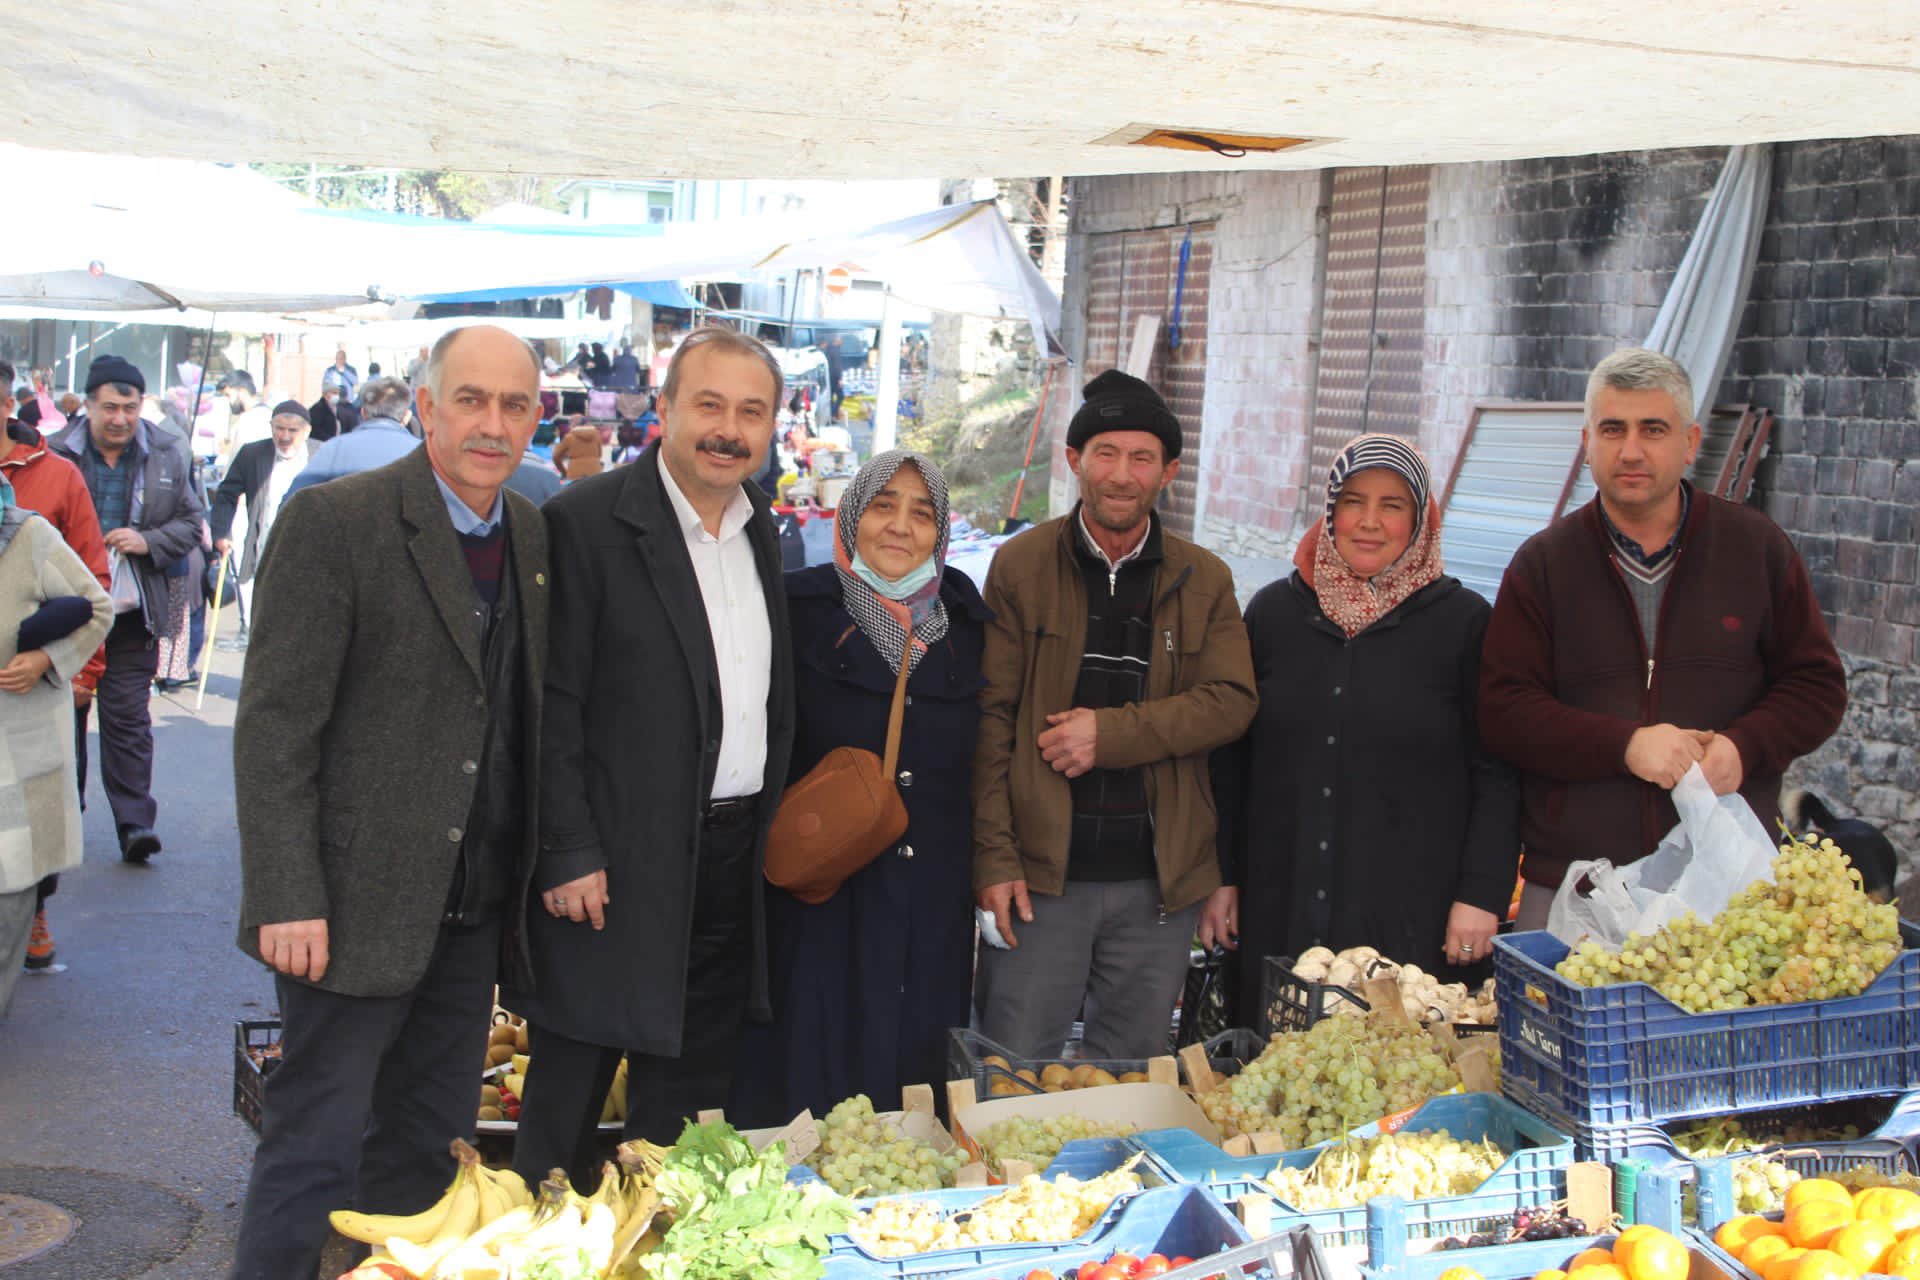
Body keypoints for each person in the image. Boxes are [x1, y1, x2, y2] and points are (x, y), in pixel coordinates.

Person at [228, 324, 548, 1280]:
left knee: (427, 1149)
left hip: (469, 909)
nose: (493, 424)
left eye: (515, 404)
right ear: (426, 405)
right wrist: (288, 892)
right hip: (347, 907)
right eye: (472, 400)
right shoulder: (340, 521)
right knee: (313, 1147)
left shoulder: (531, 531)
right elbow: (275, 726)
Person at [506, 325, 792, 1189]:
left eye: (751, 412)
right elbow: (553, 702)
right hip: (612, 866)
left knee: (684, 1104)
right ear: (663, 409)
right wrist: (568, 849)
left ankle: (657, 1245)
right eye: (709, 405)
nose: (728, 429)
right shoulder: (585, 523)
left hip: (730, 861)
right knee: (569, 1090)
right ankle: (536, 1245)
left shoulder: (760, 531)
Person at [1479, 348, 1848, 930]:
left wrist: (1743, 748)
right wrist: (1623, 745)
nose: (1631, 450)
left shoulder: (1756, 549)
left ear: (1690, 441)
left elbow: (1817, 686)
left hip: (1729, 884)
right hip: (1576, 888)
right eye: (1613, 429)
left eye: (1653, 429)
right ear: (1587, 441)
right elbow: (1503, 711)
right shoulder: (1543, 567)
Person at [971, 370, 1255, 1059]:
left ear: (1169, 472)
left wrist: (1111, 734)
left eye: (1141, 458)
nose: (1121, 475)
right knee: (1014, 1073)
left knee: (1127, 1085)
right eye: (1105, 453)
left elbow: (1232, 702)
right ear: (1073, 461)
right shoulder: (1020, 565)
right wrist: (993, 859)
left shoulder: (1204, 577)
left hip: (1156, 889)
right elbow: (991, 722)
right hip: (1041, 882)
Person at [1211, 436, 1520, 1023]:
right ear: (1330, 511)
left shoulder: (1464, 625)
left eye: (1393, 505)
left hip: (1410, 910)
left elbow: (1497, 773)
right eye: (1353, 501)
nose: (1369, 522)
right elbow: (1232, 760)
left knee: (1400, 1084)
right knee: (1273, 1078)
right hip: (1283, 898)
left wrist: (1481, 894)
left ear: (1421, 517)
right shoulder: (1275, 615)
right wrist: (1222, 877)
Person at [728, 451, 987, 1126]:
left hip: (929, 903)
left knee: (911, 1081)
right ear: (851, 518)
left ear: (941, 531)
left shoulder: (965, 624)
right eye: (882, 506)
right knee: (813, 1064)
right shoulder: (796, 608)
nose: (901, 527)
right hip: (821, 897)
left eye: (922, 513)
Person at [50, 355, 204, 865]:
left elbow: (190, 523)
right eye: (110, 407)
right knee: (62, 721)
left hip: (133, 613)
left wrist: (146, 539)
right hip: (64, 614)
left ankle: (135, 822)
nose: (120, 418)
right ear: (88, 405)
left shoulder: (165, 452)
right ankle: (64, 821)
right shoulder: (55, 457)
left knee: (128, 722)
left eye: (130, 408)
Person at [2, 366, 109, 970]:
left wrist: (70, 669)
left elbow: (92, 585)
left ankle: (35, 911)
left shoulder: (55, 478)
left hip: (35, 696)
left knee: (32, 826)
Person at [210, 401, 317, 651]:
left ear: (307, 432)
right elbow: (226, 494)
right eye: (279, 429)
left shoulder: (321, 454)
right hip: (266, 546)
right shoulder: (253, 454)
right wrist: (221, 532)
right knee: (267, 616)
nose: (285, 436)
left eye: (293, 431)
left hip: (310, 552)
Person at [287, 376, 418, 494]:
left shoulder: (335, 448)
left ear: (363, 413)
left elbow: (293, 501)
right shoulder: (423, 453)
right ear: (407, 416)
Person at [219, 371, 271, 461]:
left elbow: (237, 459)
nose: (229, 401)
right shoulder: (267, 414)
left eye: (228, 395)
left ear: (242, 392)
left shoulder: (249, 419)